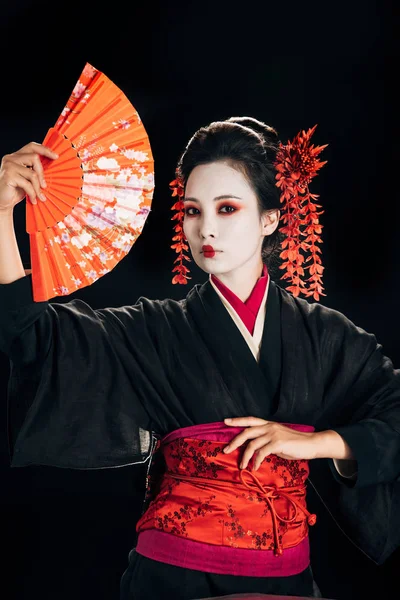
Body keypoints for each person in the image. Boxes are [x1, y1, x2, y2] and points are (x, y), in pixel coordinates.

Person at [0, 116, 399, 600]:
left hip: (287, 577)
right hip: (173, 577)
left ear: (270, 218)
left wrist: (317, 445)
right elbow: (34, 337)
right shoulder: (154, 329)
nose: (205, 228)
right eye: (193, 211)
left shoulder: (327, 336)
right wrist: (1, 215)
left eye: (227, 208)